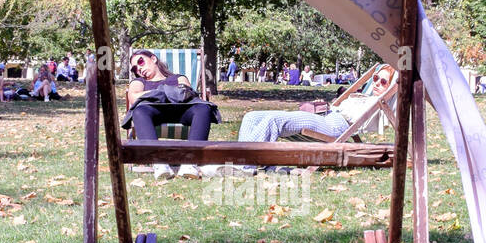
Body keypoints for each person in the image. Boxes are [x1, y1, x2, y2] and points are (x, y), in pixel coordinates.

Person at [235, 65, 397, 166]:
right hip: (325, 117)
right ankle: (235, 159)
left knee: (274, 121)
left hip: (335, 127)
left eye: (383, 82)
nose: (376, 83)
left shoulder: (380, 104)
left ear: (389, 87)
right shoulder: (365, 97)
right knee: (252, 116)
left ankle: (244, 165)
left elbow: (397, 98)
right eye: (376, 78)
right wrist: (325, 106)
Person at [123, 49, 219, 180]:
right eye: (135, 68)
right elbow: (134, 98)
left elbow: (185, 94)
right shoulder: (139, 82)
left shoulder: (179, 78)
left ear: (153, 59)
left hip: (181, 110)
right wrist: (167, 92)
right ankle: (159, 163)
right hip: (154, 111)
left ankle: (190, 163)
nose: (139, 69)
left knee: (203, 108)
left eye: (141, 62)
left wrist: (153, 94)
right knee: (139, 111)